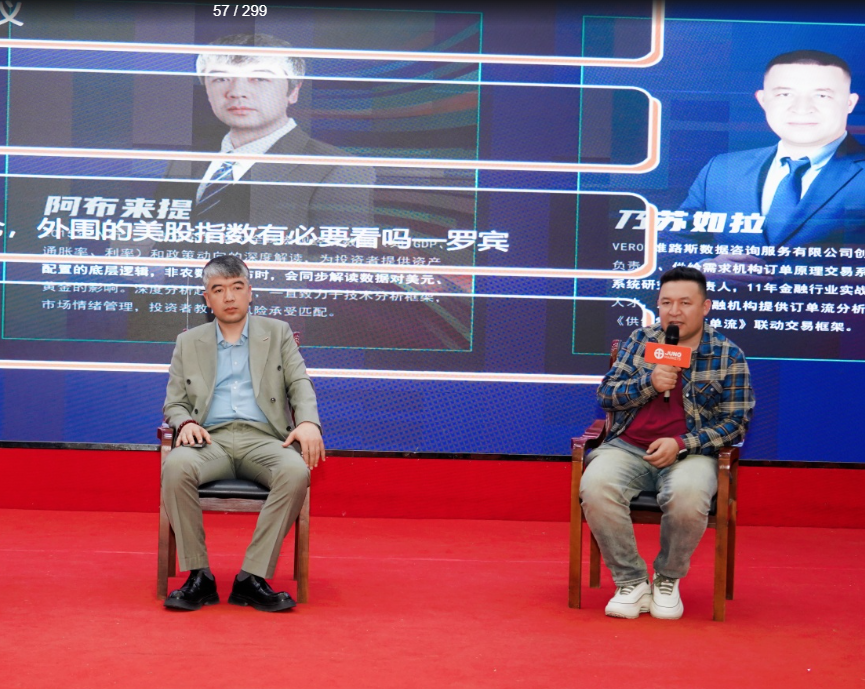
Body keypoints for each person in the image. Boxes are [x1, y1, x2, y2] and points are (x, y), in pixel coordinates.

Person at [579, 267, 754, 619]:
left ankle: (667, 578)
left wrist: (682, 443)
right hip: (629, 448)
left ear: (705, 307)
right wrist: (650, 382)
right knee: (595, 486)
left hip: (691, 454)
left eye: (685, 303)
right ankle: (631, 581)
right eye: (666, 303)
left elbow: (736, 424)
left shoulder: (727, 354)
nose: (674, 312)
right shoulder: (640, 341)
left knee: (689, 496)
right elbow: (606, 395)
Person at [161, 254, 324, 612]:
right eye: (218, 289)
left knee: (295, 471)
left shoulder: (277, 332)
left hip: (264, 439)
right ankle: (199, 576)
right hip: (209, 440)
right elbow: (174, 403)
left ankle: (252, 577)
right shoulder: (189, 341)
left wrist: (308, 422)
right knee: (176, 466)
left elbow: (299, 383)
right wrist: (185, 423)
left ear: (250, 292)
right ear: (207, 298)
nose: (229, 297)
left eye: (237, 287)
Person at [164, 32, 375, 232]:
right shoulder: (184, 161)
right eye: (221, 79)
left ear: (293, 91)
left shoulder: (339, 170)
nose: (237, 92)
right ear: (207, 90)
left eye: (259, 78)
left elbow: (340, 254)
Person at [680, 50, 864, 256]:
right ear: (763, 100)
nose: (802, 108)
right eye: (784, 95)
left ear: (849, 103)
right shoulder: (721, 169)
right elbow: (673, 239)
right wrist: (704, 266)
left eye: (822, 95)